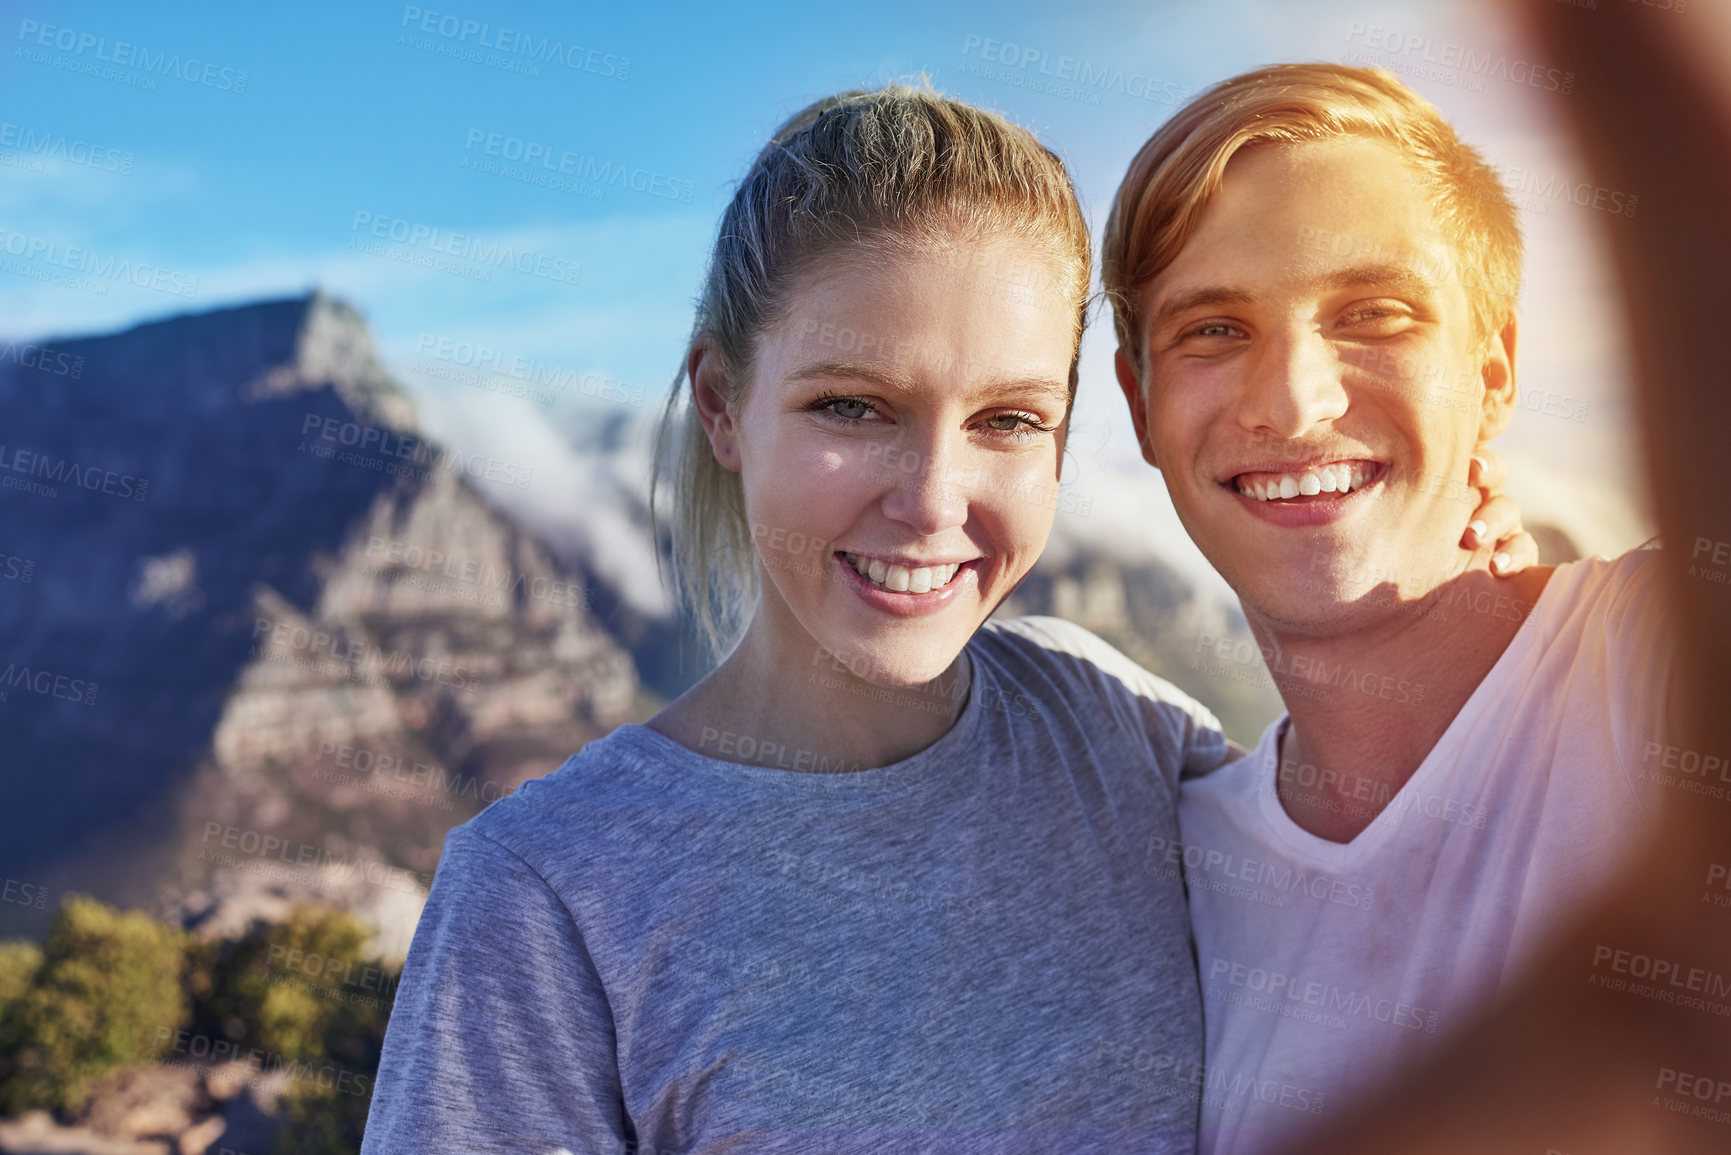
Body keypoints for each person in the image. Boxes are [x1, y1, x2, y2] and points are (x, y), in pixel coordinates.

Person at [361, 84, 1531, 1154]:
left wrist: (1462, 608)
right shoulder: (545, 898)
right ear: (723, 405)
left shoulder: (1111, 731)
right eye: (854, 407)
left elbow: (1371, 909)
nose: (930, 501)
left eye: (1008, 420)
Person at [1101, 63, 1673, 1155]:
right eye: (1214, 330)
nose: (1293, 401)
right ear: (1139, 408)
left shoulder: (1660, 672)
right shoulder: (1175, 865)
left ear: (1493, 368)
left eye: (1375, 314)